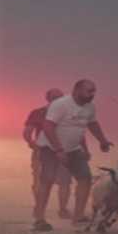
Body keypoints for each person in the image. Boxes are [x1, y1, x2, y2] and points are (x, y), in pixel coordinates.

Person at [34, 79, 114, 230]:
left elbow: (92, 124)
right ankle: (39, 218)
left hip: (73, 148)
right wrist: (59, 150)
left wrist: (103, 140)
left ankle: (78, 216)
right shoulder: (60, 104)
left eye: (94, 91)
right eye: (88, 91)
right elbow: (48, 126)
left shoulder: (90, 107)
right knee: (47, 180)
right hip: (50, 147)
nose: (92, 94)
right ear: (77, 90)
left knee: (85, 178)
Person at [23, 88, 74, 218]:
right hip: (43, 150)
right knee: (40, 181)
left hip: (63, 150)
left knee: (64, 181)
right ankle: (38, 207)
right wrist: (31, 142)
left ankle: (62, 209)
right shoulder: (38, 113)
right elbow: (27, 131)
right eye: (55, 98)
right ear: (48, 99)